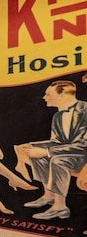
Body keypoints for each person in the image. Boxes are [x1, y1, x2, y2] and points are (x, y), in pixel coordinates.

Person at [17, 80, 87, 220]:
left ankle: (60, 207)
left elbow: (84, 145)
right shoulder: (58, 116)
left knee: (57, 159)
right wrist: (32, 144)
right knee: (35, 150)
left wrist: (47, 152)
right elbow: (57, 142)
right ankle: (48, 196)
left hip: (84, 159)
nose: (44, 97)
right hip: (71, 152)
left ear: (63, 95)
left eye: (48, 94)